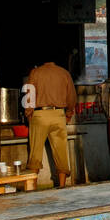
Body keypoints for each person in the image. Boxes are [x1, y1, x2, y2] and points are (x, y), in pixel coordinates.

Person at [24, 52, 77, 188]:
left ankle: (32, 186)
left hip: (40, 114)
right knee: (61, 151)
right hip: (59, 114)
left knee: (35, 153)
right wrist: (69, 113)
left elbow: (29, 95)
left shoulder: (35, 73)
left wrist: (29, 113)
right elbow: (71, 97)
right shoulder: (64, 73)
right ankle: (62, 185)